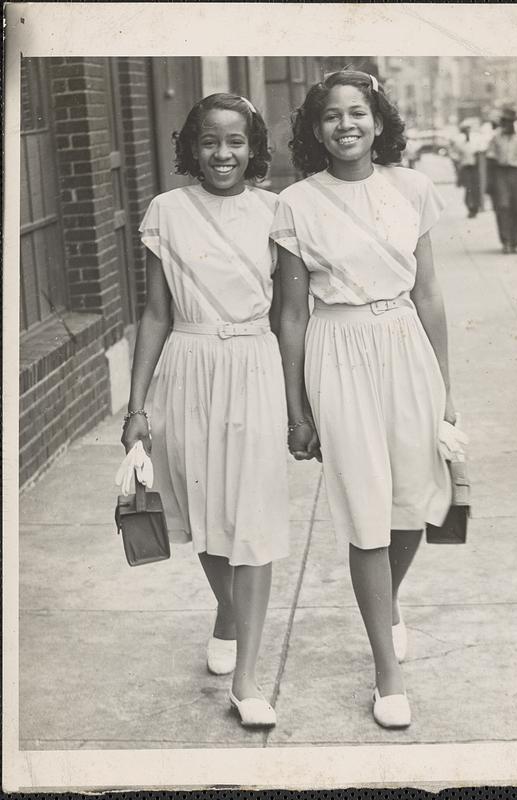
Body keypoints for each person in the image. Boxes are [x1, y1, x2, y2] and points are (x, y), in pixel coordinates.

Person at [271, 70, 455, 728]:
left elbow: (429, 293)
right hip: (338, 348)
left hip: (404, 342)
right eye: (330, 116)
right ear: (315, 130)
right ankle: (387, 671)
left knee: (414, 501)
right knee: (365, 509)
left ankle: (388, 603)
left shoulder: (414, 188)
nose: (345, 125)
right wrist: (296, 409)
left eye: (357, 113)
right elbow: (291, 314)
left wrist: (446, 389)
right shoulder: (295, 203)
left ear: (378, 121)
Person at [121, 93, 288, 728]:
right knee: (200, 509)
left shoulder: (276, 212)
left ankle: (247, 679)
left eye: (237, 142)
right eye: (211, 142)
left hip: (253, 363)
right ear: (192, 148)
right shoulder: (166, 211)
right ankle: (229, 612)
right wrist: (136, 407)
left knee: (253, 517)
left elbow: (289, 314)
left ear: (254, 148)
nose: (224, 154)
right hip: (186, 368)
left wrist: (298, 406)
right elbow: (157, 314)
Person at [485, 105, 517, 253]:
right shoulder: (496, 137)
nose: (505, 125)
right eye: (503, 121)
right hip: (501, 173)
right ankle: (505, 241)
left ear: (513, 122)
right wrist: (490, 182)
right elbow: (490, 159)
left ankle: (514, 242)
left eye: (508, 121)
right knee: (502, 206)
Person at [452, 123, 482, 218]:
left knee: (476, 188)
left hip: (475, 167)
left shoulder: (476, 140)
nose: (467, 132)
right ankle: (470, 208)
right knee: (468, 189)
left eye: (468, 130)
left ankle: (476, 207)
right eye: (465, 130)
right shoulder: (458, 142)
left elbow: (480, 152)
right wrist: (458, 169)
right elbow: (455, 156)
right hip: (465, 168)